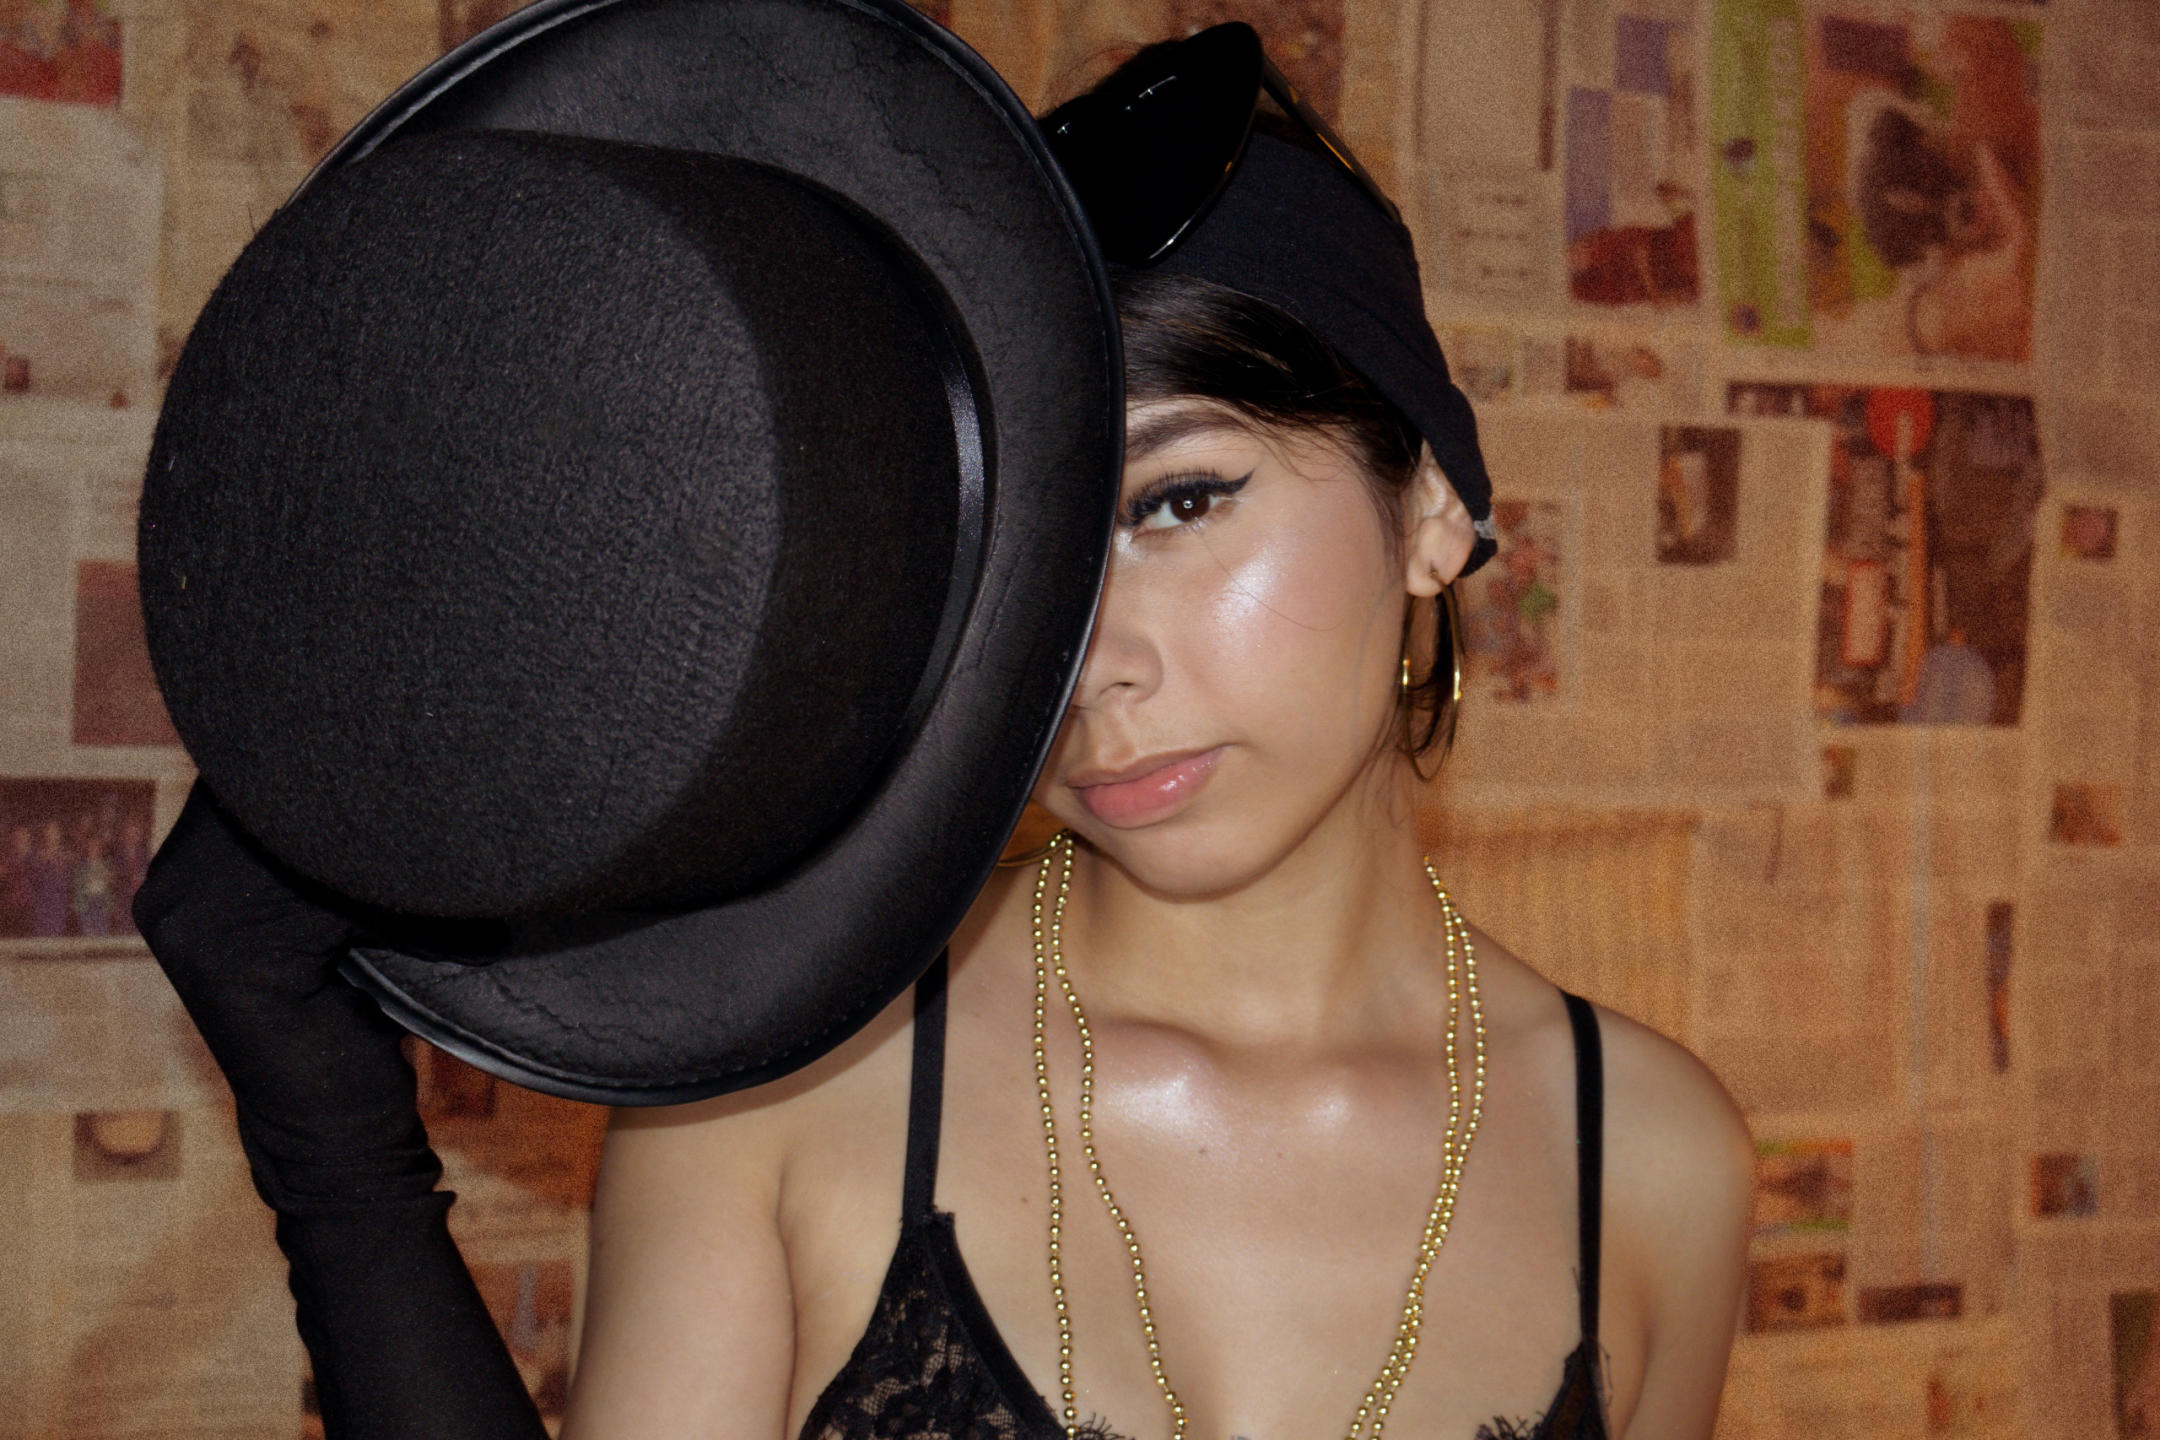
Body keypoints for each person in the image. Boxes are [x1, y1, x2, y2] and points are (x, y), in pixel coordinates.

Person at [134, 16, 1752, 1440]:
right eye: (1027, 575)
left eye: (1179, 502)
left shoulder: (1656, 1162)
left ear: (1437, 503)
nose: (1091, 664)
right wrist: (337, 1153)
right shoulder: (785, 1088)